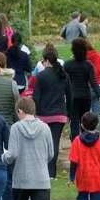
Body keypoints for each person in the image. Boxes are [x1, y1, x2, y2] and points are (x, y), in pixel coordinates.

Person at [3, 96, 54, 200]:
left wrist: (4, 156)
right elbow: (50, 154)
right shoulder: (45, 128)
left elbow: (13, 154)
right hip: (41, 179)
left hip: (21, 179)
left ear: (20, 111)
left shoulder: (16, 128)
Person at [32, 45, 71, 177]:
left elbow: (36, 97)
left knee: (42, 144)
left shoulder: (41, 76)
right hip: (59, 114)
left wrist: (34, 113)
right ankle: (51, 172)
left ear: (46, 60)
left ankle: (43, 171)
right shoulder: (63, 75)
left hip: (43, 115)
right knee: (54, 141)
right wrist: (69, 113)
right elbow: (70, 96)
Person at [64, 37, 98, 142]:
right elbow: (93, 82)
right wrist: (99, 94)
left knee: (74, 123)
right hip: (85, 96)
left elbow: (64, 81)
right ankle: (85, 142)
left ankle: (75, 145)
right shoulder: (88, 65)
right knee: (85, 122)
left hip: (73, 97)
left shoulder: (68, 65)